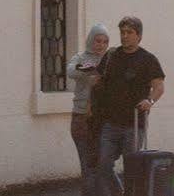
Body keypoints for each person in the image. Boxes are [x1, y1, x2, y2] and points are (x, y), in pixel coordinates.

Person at [93, 15, 164, 196]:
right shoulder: (111, 56)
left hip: (134, 123)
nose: (125, 36)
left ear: (138, 35)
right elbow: (98, 80)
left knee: (131, 167)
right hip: (110, 122)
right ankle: (120, 193)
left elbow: (158, 86)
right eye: (122, 32)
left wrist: (150, 101)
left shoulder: (148, 59)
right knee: (103, 165)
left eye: (129, 32)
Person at [65, 24, 109, 196]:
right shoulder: (80, 57)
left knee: (102, 164)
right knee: (88, 164)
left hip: (102, 118)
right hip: (82, 117)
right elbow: (71, 71)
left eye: (105, 42)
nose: (101, 45)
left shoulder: (109, 60)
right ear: (91, 40)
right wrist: (85, 69)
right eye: (98, 41)